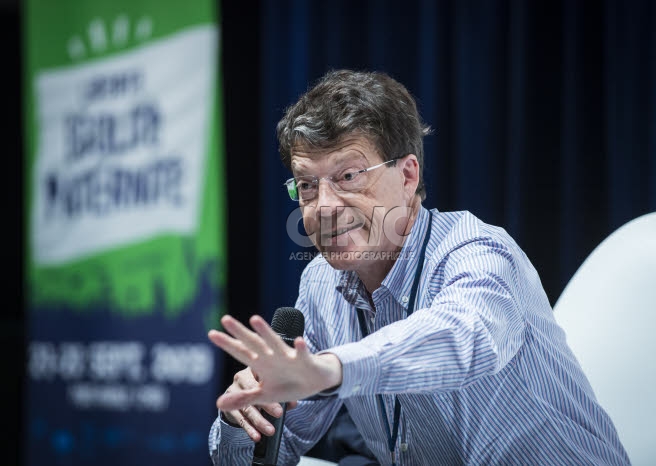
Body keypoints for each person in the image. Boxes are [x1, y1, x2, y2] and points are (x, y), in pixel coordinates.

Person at [207, 69, 630, 465]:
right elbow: (277, 447)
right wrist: (243, 418)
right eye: (307, 185)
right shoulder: (322, 283)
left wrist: (332, 368)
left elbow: (462, 339)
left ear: (408, 175)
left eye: (349, 176)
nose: (324, 207)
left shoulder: (477, 250)